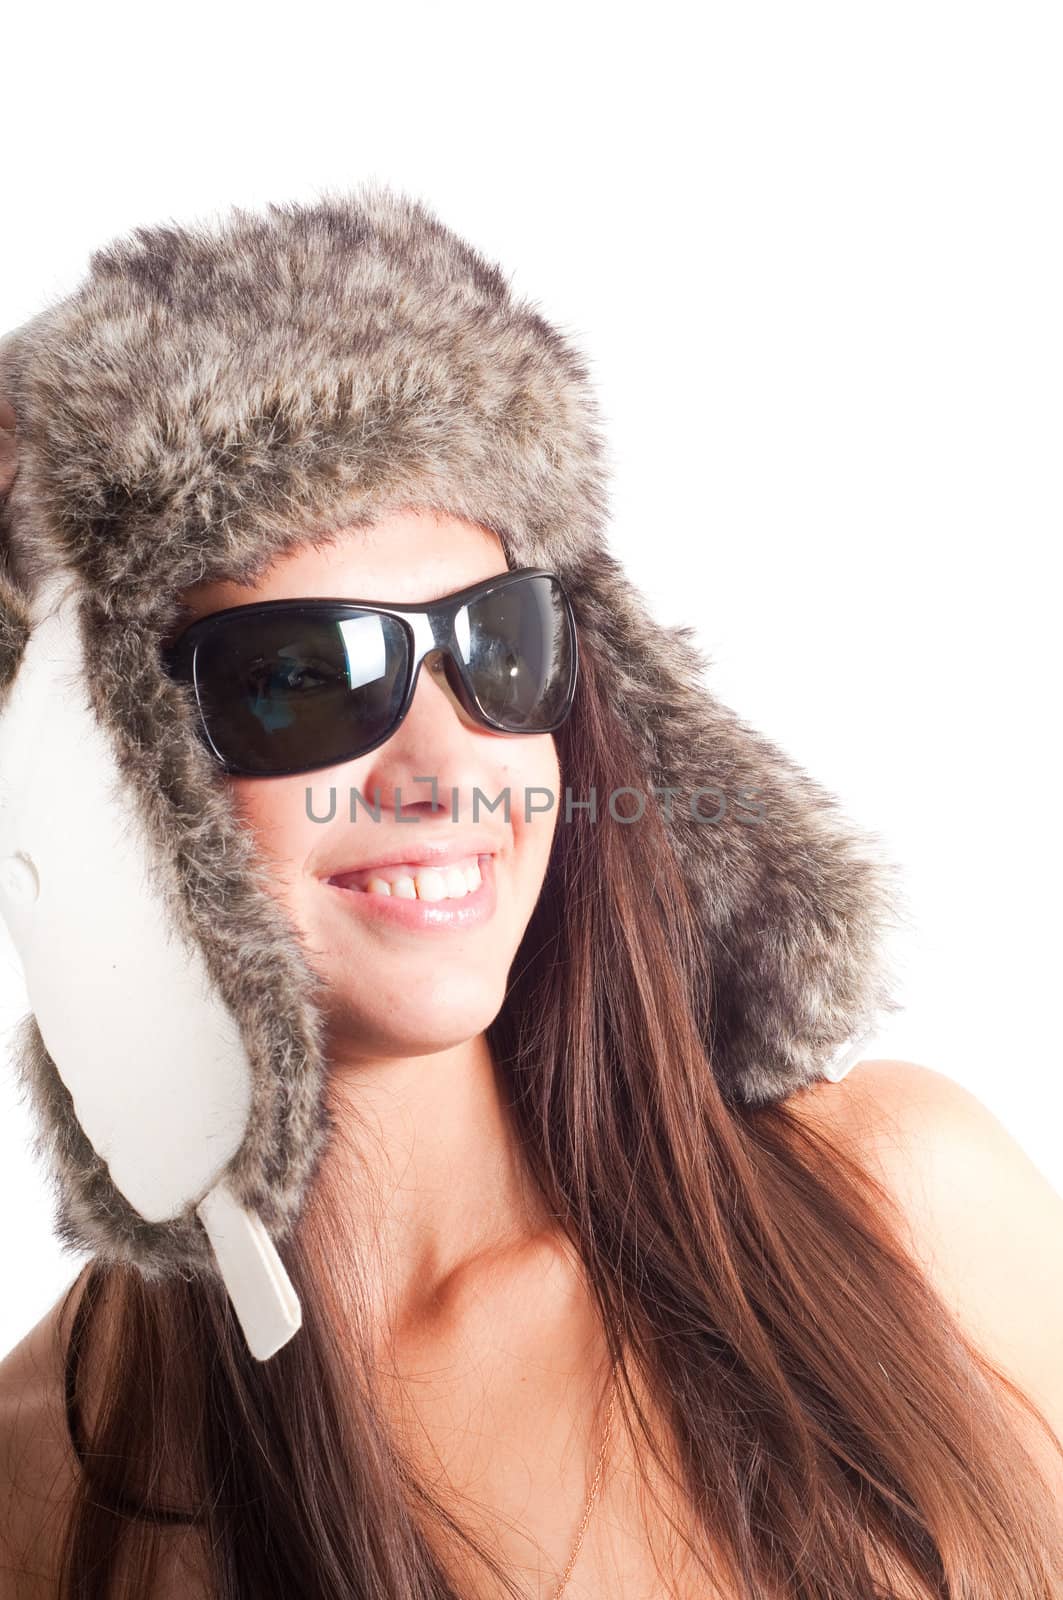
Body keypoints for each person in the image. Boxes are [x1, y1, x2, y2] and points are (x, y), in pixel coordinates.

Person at [0, 188, 1061, 1600]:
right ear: (94, 786)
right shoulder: (43, 1484)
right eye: (306, 679)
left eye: (500, 647)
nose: (451, 768)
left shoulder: (905, 1209)